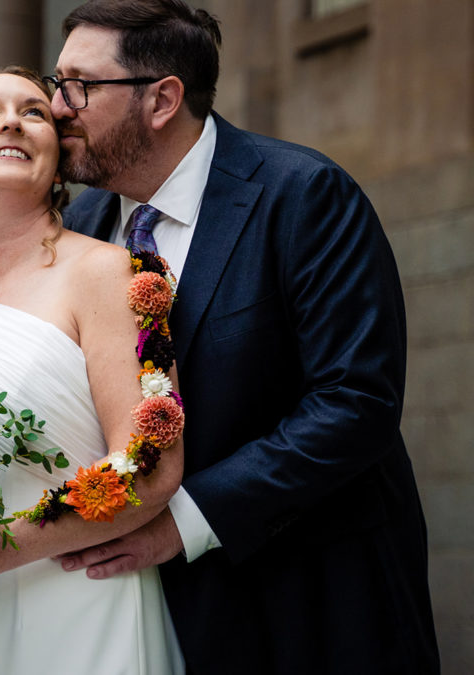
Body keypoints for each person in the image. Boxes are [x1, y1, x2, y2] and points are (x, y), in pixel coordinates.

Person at [49, 1, 440, 673]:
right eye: (56, 82)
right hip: (138, 622)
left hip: (312, 611)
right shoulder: (79, 223)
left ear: (163, 99)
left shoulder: (304, 194)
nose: (57, 106)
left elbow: (354, 403)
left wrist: (183, 523)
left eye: (79, 86)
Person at [0, 66, 185, 674]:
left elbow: (150, 468)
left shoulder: (107, 274)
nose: (11, 120)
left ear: (57, 158)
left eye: (33, 112)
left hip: (83, 607)